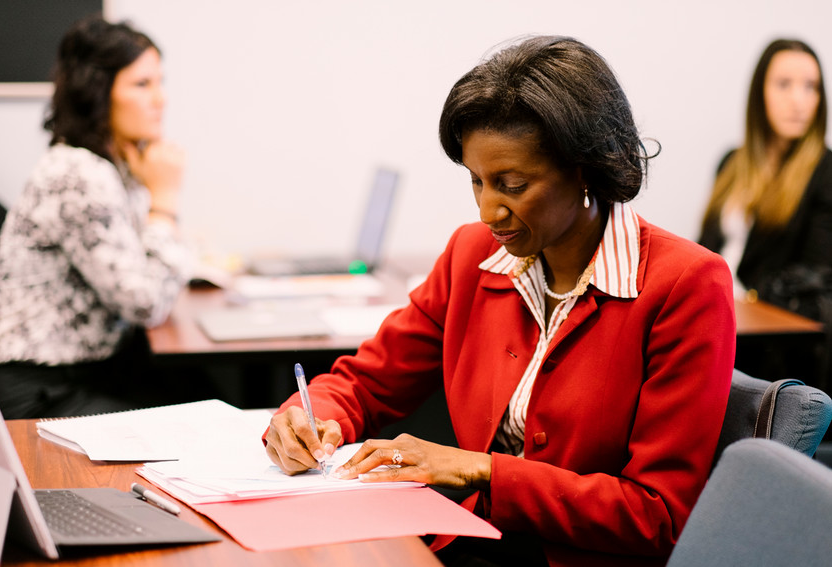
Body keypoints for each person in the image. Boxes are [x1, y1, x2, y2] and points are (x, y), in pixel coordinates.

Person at [264, 36, 735, 566]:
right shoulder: (473, 256)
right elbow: (366, 383)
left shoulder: (686, 284)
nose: (489, 211)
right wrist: (309, 418)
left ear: (585, 169)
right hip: (472, 544)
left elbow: (658, 517)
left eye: (512, 185)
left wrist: (478, 469)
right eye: (476, 181)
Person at [0, 15, 195, 419]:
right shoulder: (76, 173)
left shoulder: (112, 167)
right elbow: (146, 302)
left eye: (160, 82)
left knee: (202, 400)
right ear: (98, 91)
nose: (160, 99)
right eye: (142, 84)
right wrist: (165, 201)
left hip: (80, 375)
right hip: (38, 390)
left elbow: (149, 280)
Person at [699, 38, 832, 385]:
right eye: (784, 84)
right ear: (760, 94)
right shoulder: (732, 163)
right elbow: (704, 250)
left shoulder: (825, 171)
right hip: (716, 312)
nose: (799, 100)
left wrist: (747, 298)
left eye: (811, 87)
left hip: (769, 338)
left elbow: (816, 274)